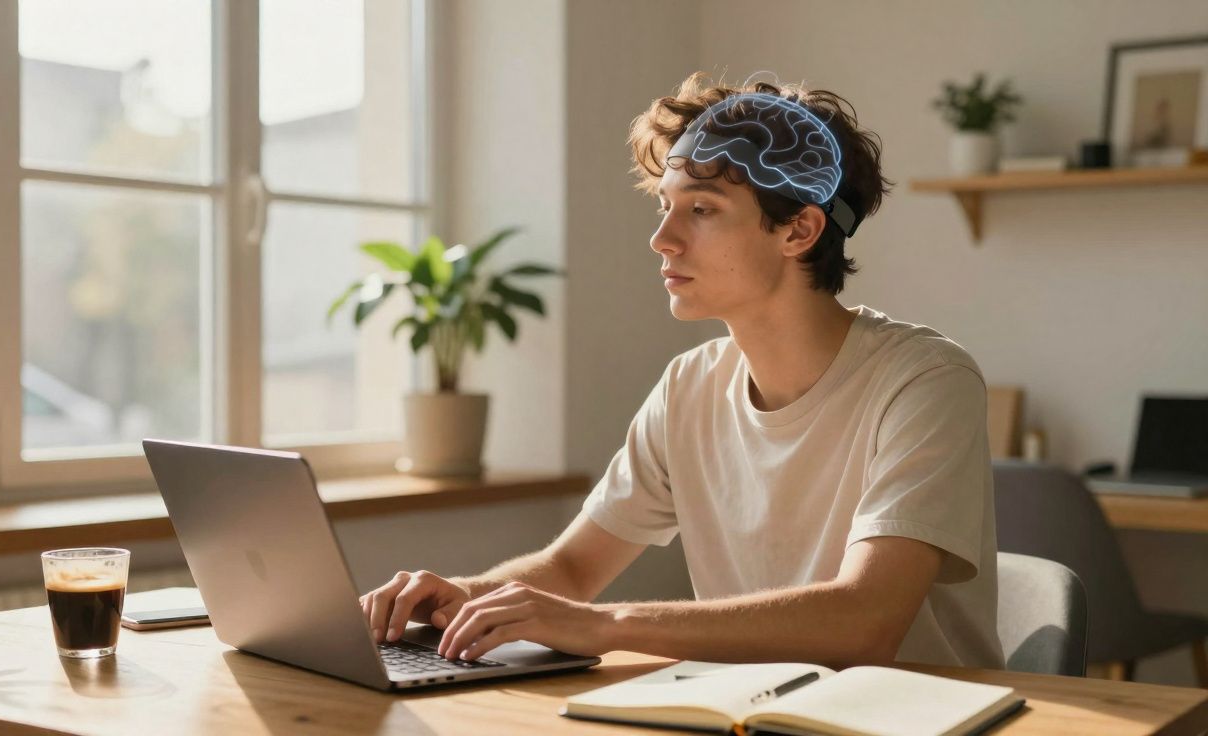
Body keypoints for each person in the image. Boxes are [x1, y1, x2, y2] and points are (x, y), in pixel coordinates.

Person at [361, 72, 1004, 670]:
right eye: (665, 206)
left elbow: (865, 620)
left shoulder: (926, 380)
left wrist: (608, 625)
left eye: (701, 210)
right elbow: (571, 567)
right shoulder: (688, 386)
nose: (662, 238)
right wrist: (460, 597)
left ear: (799, 229)